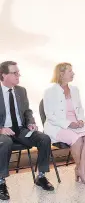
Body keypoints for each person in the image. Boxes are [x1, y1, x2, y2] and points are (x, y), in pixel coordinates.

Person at [0, 61, 54, 201]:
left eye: (18, 72)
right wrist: (1, 129)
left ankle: (41, 177)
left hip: (21, 130)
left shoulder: (21, 90)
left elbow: (27, 111)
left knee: (44, 138)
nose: (19, 75)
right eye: (15, 73)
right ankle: (1, 183)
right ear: (3, 75)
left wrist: (31, 122)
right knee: (4, 142)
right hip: (3, 131)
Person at [43, 63, 85, 185]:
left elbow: (80, 109)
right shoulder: (50, 91)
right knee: (77, 139)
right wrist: (69, 124)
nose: (73, 73)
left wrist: (81, 120)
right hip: (57, 126)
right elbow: (50, 116)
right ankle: (81, 170)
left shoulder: (75, 90)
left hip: (75, 123)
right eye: (70, 71)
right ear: (61, 74)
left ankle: (80, 169)